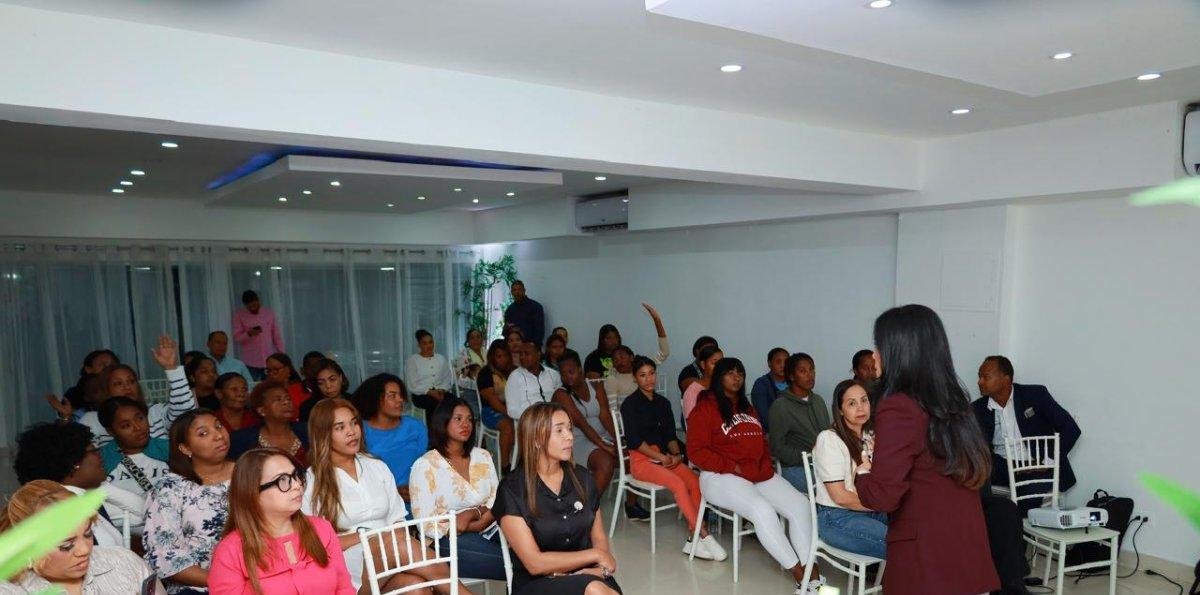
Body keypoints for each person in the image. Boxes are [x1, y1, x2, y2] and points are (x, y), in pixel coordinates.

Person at [855, 304, 999, 594]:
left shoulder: (898, 406)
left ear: (899, 351)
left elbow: (884, 495)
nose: (874, 355)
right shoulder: (954, 402)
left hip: (926, 556)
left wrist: (863, 472)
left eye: (878, 346)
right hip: (965, 547)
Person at [687, 357, 823, 595]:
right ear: (719, 377)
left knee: (801, 505)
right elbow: (696, 452)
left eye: (740, 373)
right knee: (762, 510)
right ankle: (800, 575)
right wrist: (734, 467)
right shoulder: (705, 408)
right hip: (719, 476)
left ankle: (812, 569)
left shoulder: (747, 408)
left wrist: (762, 465)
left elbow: (761, 441)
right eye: (730, 373)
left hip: (757, 474)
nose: (736, 377)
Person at [304, 398, 466, 592]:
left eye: (354, 422)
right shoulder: (312, 480)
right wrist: (368, 537)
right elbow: (315, 543)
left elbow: (398, 521)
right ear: (323, 434)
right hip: (350, 568)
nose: (351, 431)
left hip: (393, 559)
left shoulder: (376, 466)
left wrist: (384, 540)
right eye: (340, 427)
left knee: (417, 587)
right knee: (393, 542)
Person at [494, 403, 622, 595]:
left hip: (589, 573)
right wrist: (596, 555)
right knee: (596, 590)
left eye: (570, 429)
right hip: (537, 582)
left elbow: (598, 538)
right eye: (559, 430)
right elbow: (534, 563)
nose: (570, 436)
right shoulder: (513, 489)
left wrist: (599, 569)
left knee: (599, 589)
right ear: (536, 438)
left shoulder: (584, 479)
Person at [618, 356, 723, 560]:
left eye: (651, 374)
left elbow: (670, 436)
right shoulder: (630, 405)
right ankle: (704, 535)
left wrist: (676, 455)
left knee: (696, 482)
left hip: (664, 458)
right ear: (634, 378)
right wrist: (662, 457)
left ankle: (693, 539)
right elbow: (634, 441)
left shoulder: (663, 403)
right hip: (642, 460)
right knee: (678, 484)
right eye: (642, 375)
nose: (648, 379)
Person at [208, 448, 354, 594]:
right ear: (253, 492)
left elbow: (344, 589)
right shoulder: (229, 551)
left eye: (296, 476)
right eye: (282, 480)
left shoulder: (322, 529)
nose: (297, 485)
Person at [1, 480, 165, 594]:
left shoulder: (124, 562)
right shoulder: (10, 590)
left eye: (88, 534)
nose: (85, 549)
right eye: (66, 545)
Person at [408, 397, 507, 581]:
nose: (466, 424)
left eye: (470, 419)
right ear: (442, 422)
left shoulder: (483, 456)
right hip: (446, 540)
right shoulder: (425, 465)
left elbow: (497, 499)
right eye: (458, 419)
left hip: (491, 526)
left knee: (530, 547)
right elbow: (426, 524)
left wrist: (473, 514)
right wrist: (473, 522)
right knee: (514, 564)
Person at [973, 355, 1082, 512]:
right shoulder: (977, 409)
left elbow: (1071, 429)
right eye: (979, 377)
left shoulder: (1035, 395)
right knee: (971, 480)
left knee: (1028, 497)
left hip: (1036, 466)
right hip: (1001, 466)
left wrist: (1047, 460)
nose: (980, 382)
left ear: (1006, 379)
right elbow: (976, 448)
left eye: (986, 377)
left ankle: (1019, 531)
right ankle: (985, 529)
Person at [144, 410, 235, 594]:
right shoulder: (170, 488)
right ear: (185, 448)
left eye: (218, 426)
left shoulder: (249, 473)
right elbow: (165, 556)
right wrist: (223, 581)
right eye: (203, 433)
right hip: (199, 587)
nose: (218, 435)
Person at [47, 335, 196, 448]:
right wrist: (66, 419)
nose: (127, 387)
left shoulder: (155, 412)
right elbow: (72, 452)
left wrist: (172, 368)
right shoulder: (92, 419)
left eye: (131, 381)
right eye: (118, 383)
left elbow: (187, 414)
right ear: (107, 390)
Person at [12, 422, 140, 548]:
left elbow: (141, 513)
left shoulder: (83, 497)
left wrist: (101, 486)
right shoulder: (63, 511)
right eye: (94, 451)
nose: (100, 456)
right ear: (74, 463)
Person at [811, 379, 886, 558]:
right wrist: (883, 503)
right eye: (852, 403)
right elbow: (841, 497)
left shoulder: (870, 435)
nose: (860, 408)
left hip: (871, 509)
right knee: (901, 543)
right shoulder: (829, 439)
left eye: (864, 400)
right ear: (840, 410)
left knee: (920, 530)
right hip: (837, 517)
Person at [352, 373, 428, 500]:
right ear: (375, 399)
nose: (400, 400)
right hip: (379, 504)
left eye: (401, 395)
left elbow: (427, 465)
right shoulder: (359, 431)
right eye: (392, 396)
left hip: (418, 500)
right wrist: (393, 492)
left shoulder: (415, 426)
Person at [551, 351, 617, 494]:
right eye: (563, 374)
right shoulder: (561, 394)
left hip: (602, 436)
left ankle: (630, 505)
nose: (567, 377)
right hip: (577, 439)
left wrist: (618, 440)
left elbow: (605, 416)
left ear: (580, 369)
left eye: (571, 371)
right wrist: (605, 446)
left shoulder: (595, 386)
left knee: (631, 456)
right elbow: (582, 424)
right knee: (605, 463)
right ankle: (588, 509)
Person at [96, 397, 171, 516]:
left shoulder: (168, 449)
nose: (138, 428)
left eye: (140, 418)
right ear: (110, 431)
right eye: (126, 425)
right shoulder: (100, 459)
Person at [769, 352, 831, 493]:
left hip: (822, 464)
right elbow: (777, 448)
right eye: (803, 371)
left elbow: (827, 435)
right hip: (795, 468)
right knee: (831, 487)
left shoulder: (818, 401)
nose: (810, 375)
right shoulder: (781, 406)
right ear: (791, 376)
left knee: (855, 479)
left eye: (811, 369)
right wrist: (809, 455)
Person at [229, 381, 309, 466]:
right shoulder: (243, 440)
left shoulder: (307, 430)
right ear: (262, 411)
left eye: (288, 398)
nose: (286, 402)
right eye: (278, 399)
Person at [476, 339, 517, 472]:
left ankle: (519, 461)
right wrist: (509, 414)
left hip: (512, 409)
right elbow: (492, 400)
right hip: (490, 410)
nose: (503, 359)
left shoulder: (514, 371)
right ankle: (505, 466)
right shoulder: (485, 373)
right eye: (499, 356)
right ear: (492, 357)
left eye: (505, 355)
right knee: (508, 426)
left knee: (527, 425)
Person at [505, 339, 562, 424]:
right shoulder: (514, 377)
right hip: (530, 423)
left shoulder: (553, 375)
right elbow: (512, 410)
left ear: (538, 354)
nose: (522, 357)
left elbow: (561, 399)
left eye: (526, 354)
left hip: (554, 420)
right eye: (520, 354)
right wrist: (536, 415)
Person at [232, 290, 284, 381]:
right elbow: (237, 338)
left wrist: (282, 354)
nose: (253, 308)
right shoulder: (239, 315)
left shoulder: (268, 313)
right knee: (251, 388)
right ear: (245, 305)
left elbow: (276, 335)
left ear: (258, 301)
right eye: (250, 307)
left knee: (269, 388)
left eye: (255, 305)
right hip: (251, 362)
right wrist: (249, 334)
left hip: (269, 360)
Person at [406, 329, 454, 420]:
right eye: (424, 343)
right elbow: (413, 384)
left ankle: (450, 430)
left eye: (430, 342)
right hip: (421, 394)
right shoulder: (412, 361)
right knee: (434, 404)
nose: (429, 346)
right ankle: (433, 432)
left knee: (455, 402)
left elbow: (447, 378)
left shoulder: (441, 358)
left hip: (441, 391)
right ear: (419, 345)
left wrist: (442, 390)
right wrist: (429, 392)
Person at [750, 347, 790, 431]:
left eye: (786, 362)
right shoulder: (761, 384)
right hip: (771, 432)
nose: (783, 365)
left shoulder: (794, 383)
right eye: (778, 362)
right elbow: (764, 417)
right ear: (769, 363)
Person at [680, 344, 723, 421]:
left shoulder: (724, 387)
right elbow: (693, 422)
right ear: (703, 364)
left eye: (722, 363)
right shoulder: (693, 391)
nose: (719, 367)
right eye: (714, 363)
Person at [265, 353, 307, 423]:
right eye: (268, 371)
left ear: (287, 369)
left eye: (276, 370)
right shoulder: (265, 392)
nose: (271, 374)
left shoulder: (302, 389)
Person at [503, 280, 545, 347]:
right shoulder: (510, 310)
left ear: (524, 290)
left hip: (531, 347)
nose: (517, 292)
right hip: (514, 348)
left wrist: (534, 344)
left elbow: (539, 330)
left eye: (519, 289)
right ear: (512, 292)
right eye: (514, 290)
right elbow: (506, 331)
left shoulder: (535, 307)